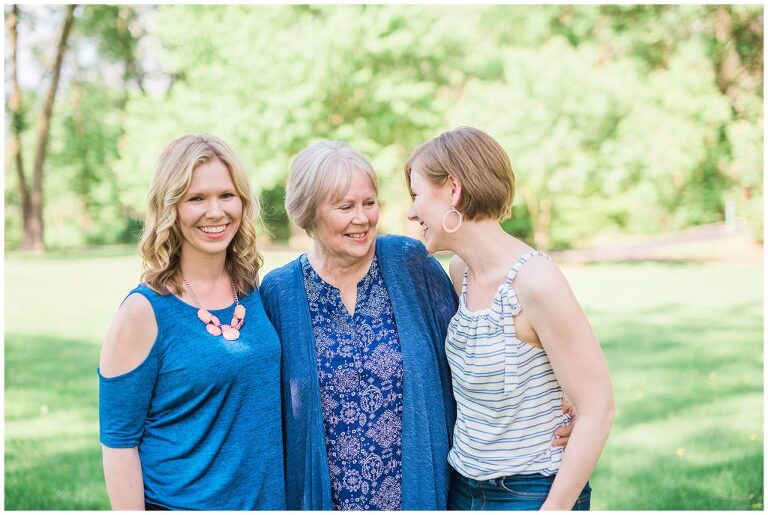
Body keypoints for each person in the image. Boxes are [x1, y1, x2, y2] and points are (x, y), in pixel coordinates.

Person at [261, 140, 574, 511]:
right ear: (307, 213)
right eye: (345, 207)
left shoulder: (410, 263)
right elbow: (262, 399)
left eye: (369, 203)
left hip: (422, 492)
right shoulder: (280, 292)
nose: (362, 219)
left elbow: (479, 345)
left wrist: (566, 387)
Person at [404, 126, 615, 511]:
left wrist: (553, 509)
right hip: (463, 489)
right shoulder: (460, 272)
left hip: (529, 494)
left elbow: (598, 406)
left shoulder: (535, 281)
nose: (411, 211)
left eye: (417, 195)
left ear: (453, 190)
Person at [98, 134, 286, 510]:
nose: (215, 212)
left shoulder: (252, 291)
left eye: (226, 196)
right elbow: (119, 443)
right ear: (170, 207)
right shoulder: (144, 311)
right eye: (196, 198)